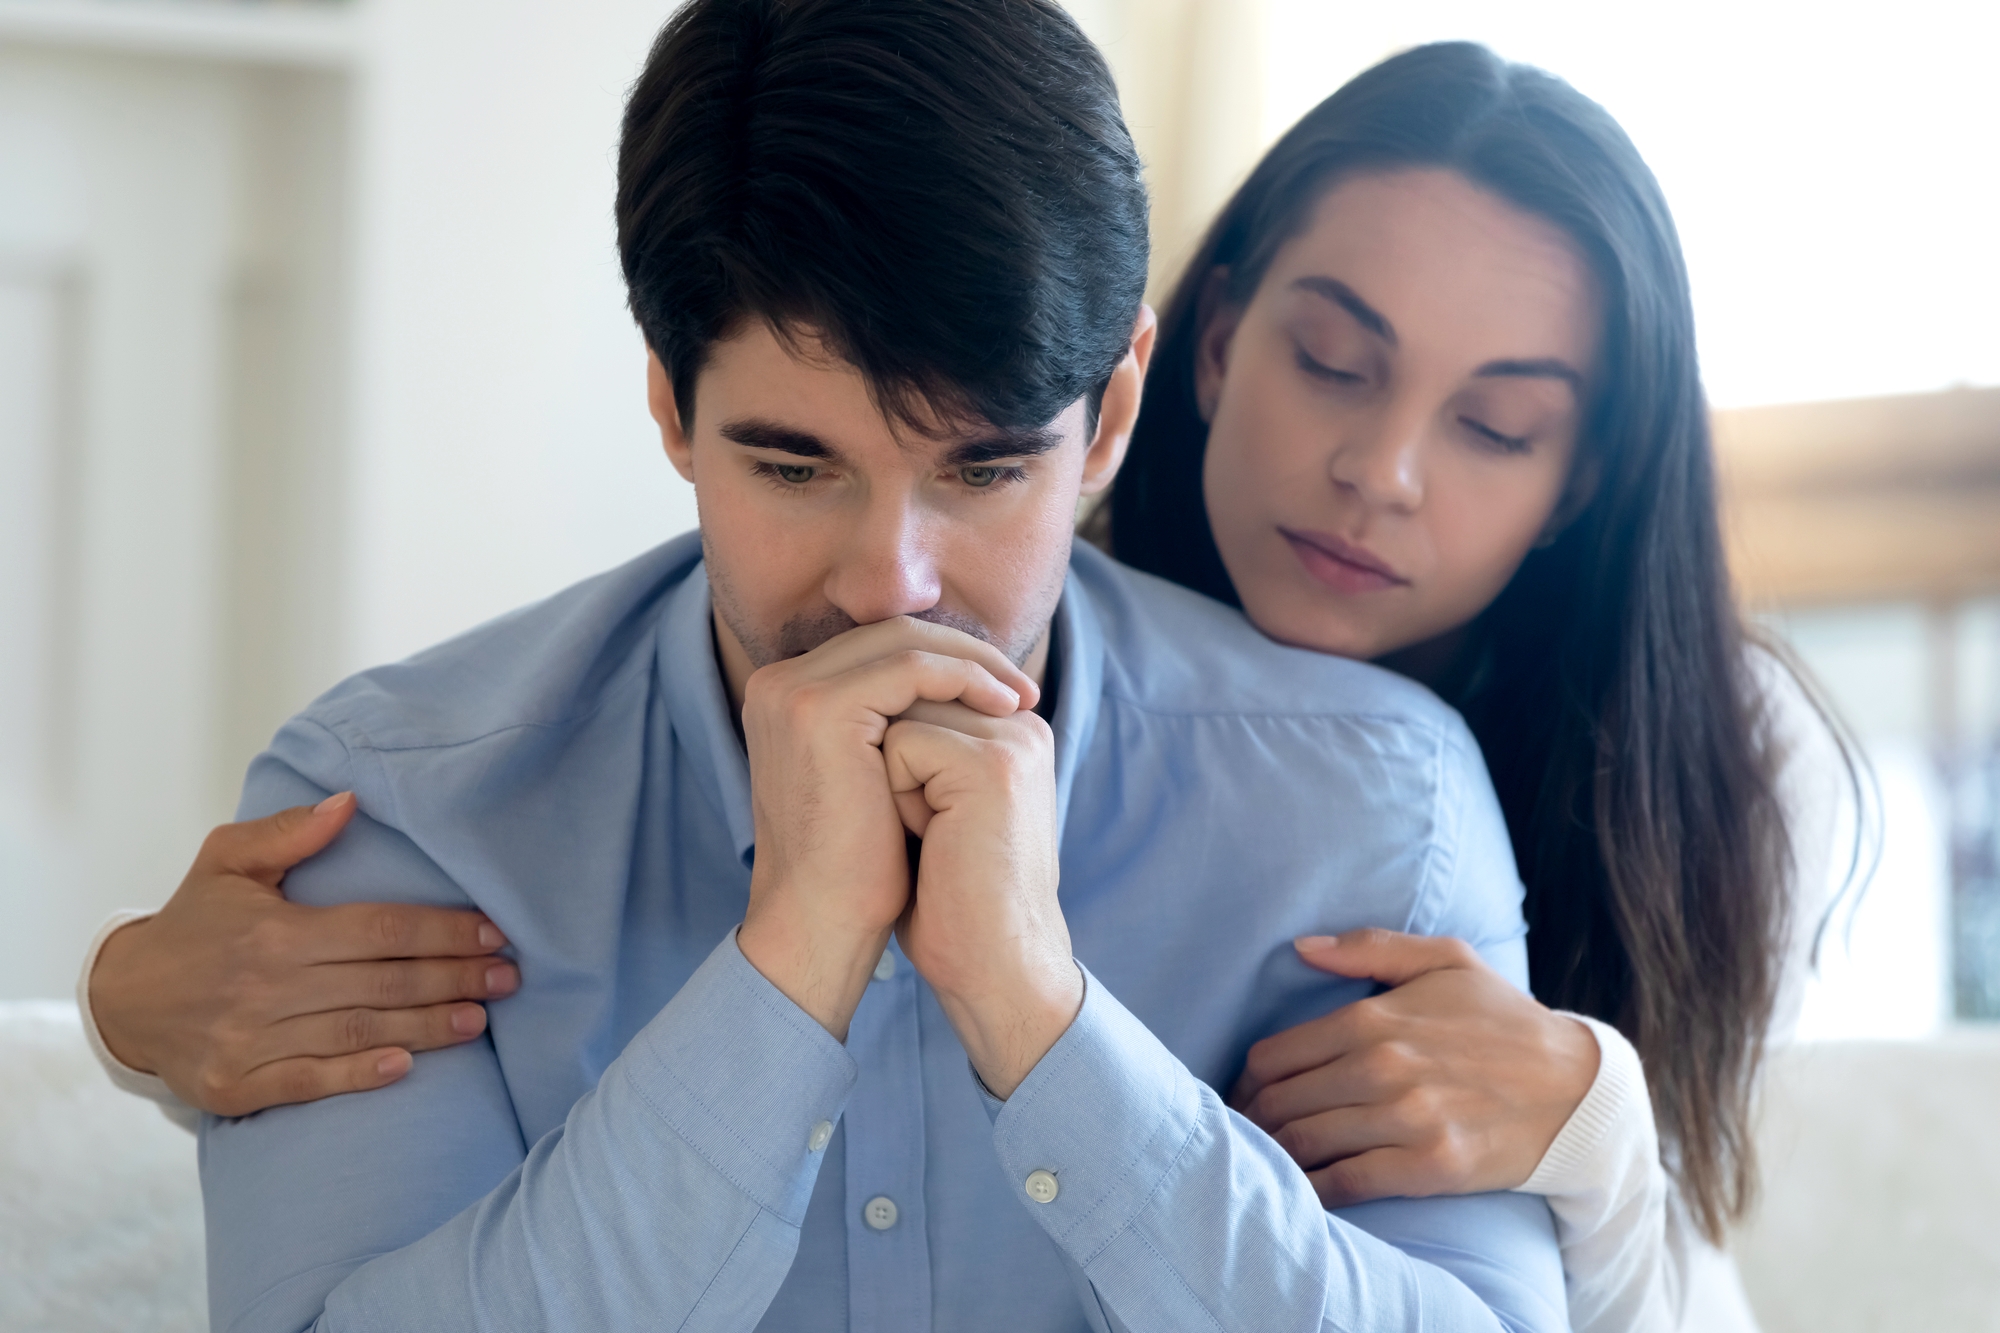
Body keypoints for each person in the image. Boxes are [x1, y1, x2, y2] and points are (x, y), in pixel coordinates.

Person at [83, 5, 1568, 1332]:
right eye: (795, 465)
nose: (891, 583)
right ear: (670, 405)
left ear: (1110, 416)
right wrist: (787, 965)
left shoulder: (1376, 798)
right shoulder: (405, 810)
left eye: (985, 470)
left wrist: (1041, 1015)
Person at [1096, 41, 1855, 1333]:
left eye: (1496, 426)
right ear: (1215, 341)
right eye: (1334, 360)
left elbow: (1686, 1287)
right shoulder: (1041, 644)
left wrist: (1593, 1122)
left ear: (1580, 480)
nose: (1381, 470)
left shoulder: (1732, 762)